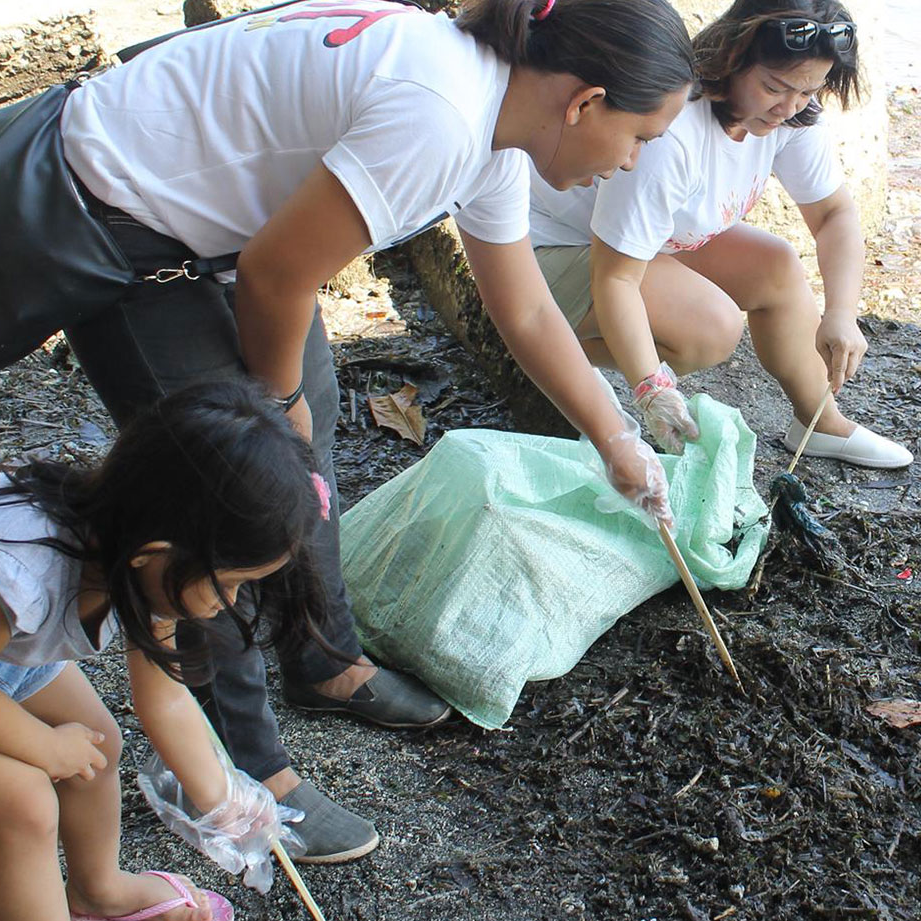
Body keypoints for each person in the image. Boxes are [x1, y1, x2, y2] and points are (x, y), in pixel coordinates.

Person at [43, 0, 696, 859]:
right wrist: (274, 416)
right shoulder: (443, 117)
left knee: (304, 470)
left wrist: (617, 440)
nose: (632, 162)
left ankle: (323, 658)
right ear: (584, 102)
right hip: (118, 214)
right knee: (234, 498)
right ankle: (242, 765)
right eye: (641, 135)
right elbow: (278, 273)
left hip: (233, 236)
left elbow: (529, 308)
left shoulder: (498, 125)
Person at [0, 382, 328, 921]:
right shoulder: (16, 572)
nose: (230, 603)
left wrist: (226, 804)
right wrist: (47, 749)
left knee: (98, 743)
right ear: (155, 556)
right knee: (25, 805)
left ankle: (98, 892)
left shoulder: (139, 544)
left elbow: (166, 698)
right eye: (231, 583)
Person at [527, 0, 912, 469]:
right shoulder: (673, 132)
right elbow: (617, 280)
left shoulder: (791, 116)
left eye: (808, 90)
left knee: (775, 265)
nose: (788, 106)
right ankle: (559, 357)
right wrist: (652, 388)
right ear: (733, 58)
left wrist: (842, 313)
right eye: (774, 86)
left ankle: (820, 424)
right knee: (712, 328)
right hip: (552, 250)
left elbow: (834, 215)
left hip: (640, 246)